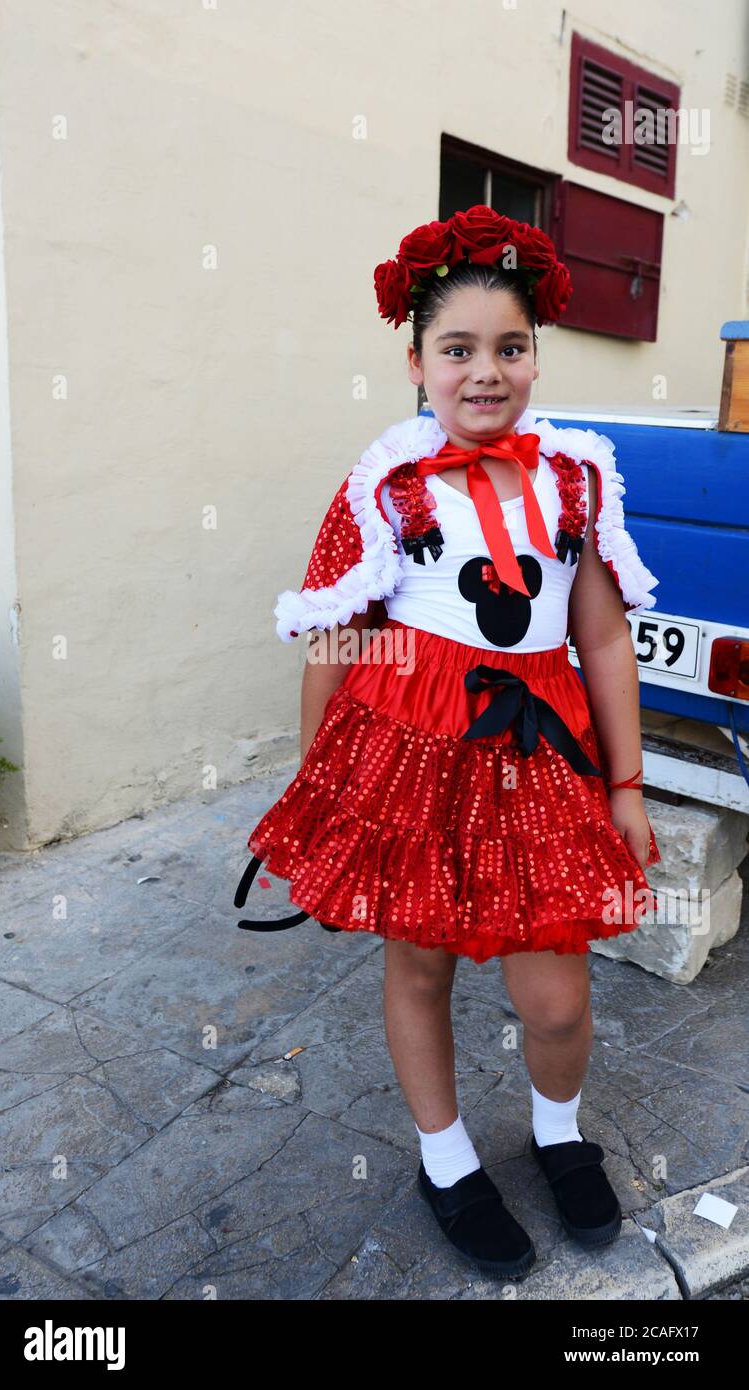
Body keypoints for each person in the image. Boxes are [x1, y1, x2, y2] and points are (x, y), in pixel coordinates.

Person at [235, 206, 662, 1280]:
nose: (485, 372)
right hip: (410, 756)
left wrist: (625, 783)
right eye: (457, 349)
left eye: (507, 348)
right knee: (417, 965)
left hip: (540, 762)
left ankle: (559, 1135)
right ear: (416, 360)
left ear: (533, 354)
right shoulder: (385, 481)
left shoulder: (577, 478)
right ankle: (445, 1156)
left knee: (555, 998)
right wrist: (319, 781)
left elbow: (603, 636)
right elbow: (335, 635)